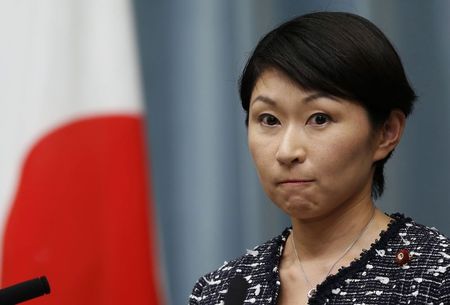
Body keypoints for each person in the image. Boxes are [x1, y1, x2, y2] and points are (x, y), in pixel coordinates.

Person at [189, 12, 450, 305]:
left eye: (320, 118)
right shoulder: (221, 290)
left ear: (386, 132)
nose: (287, 151)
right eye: (269, 120)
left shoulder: (435, 277)